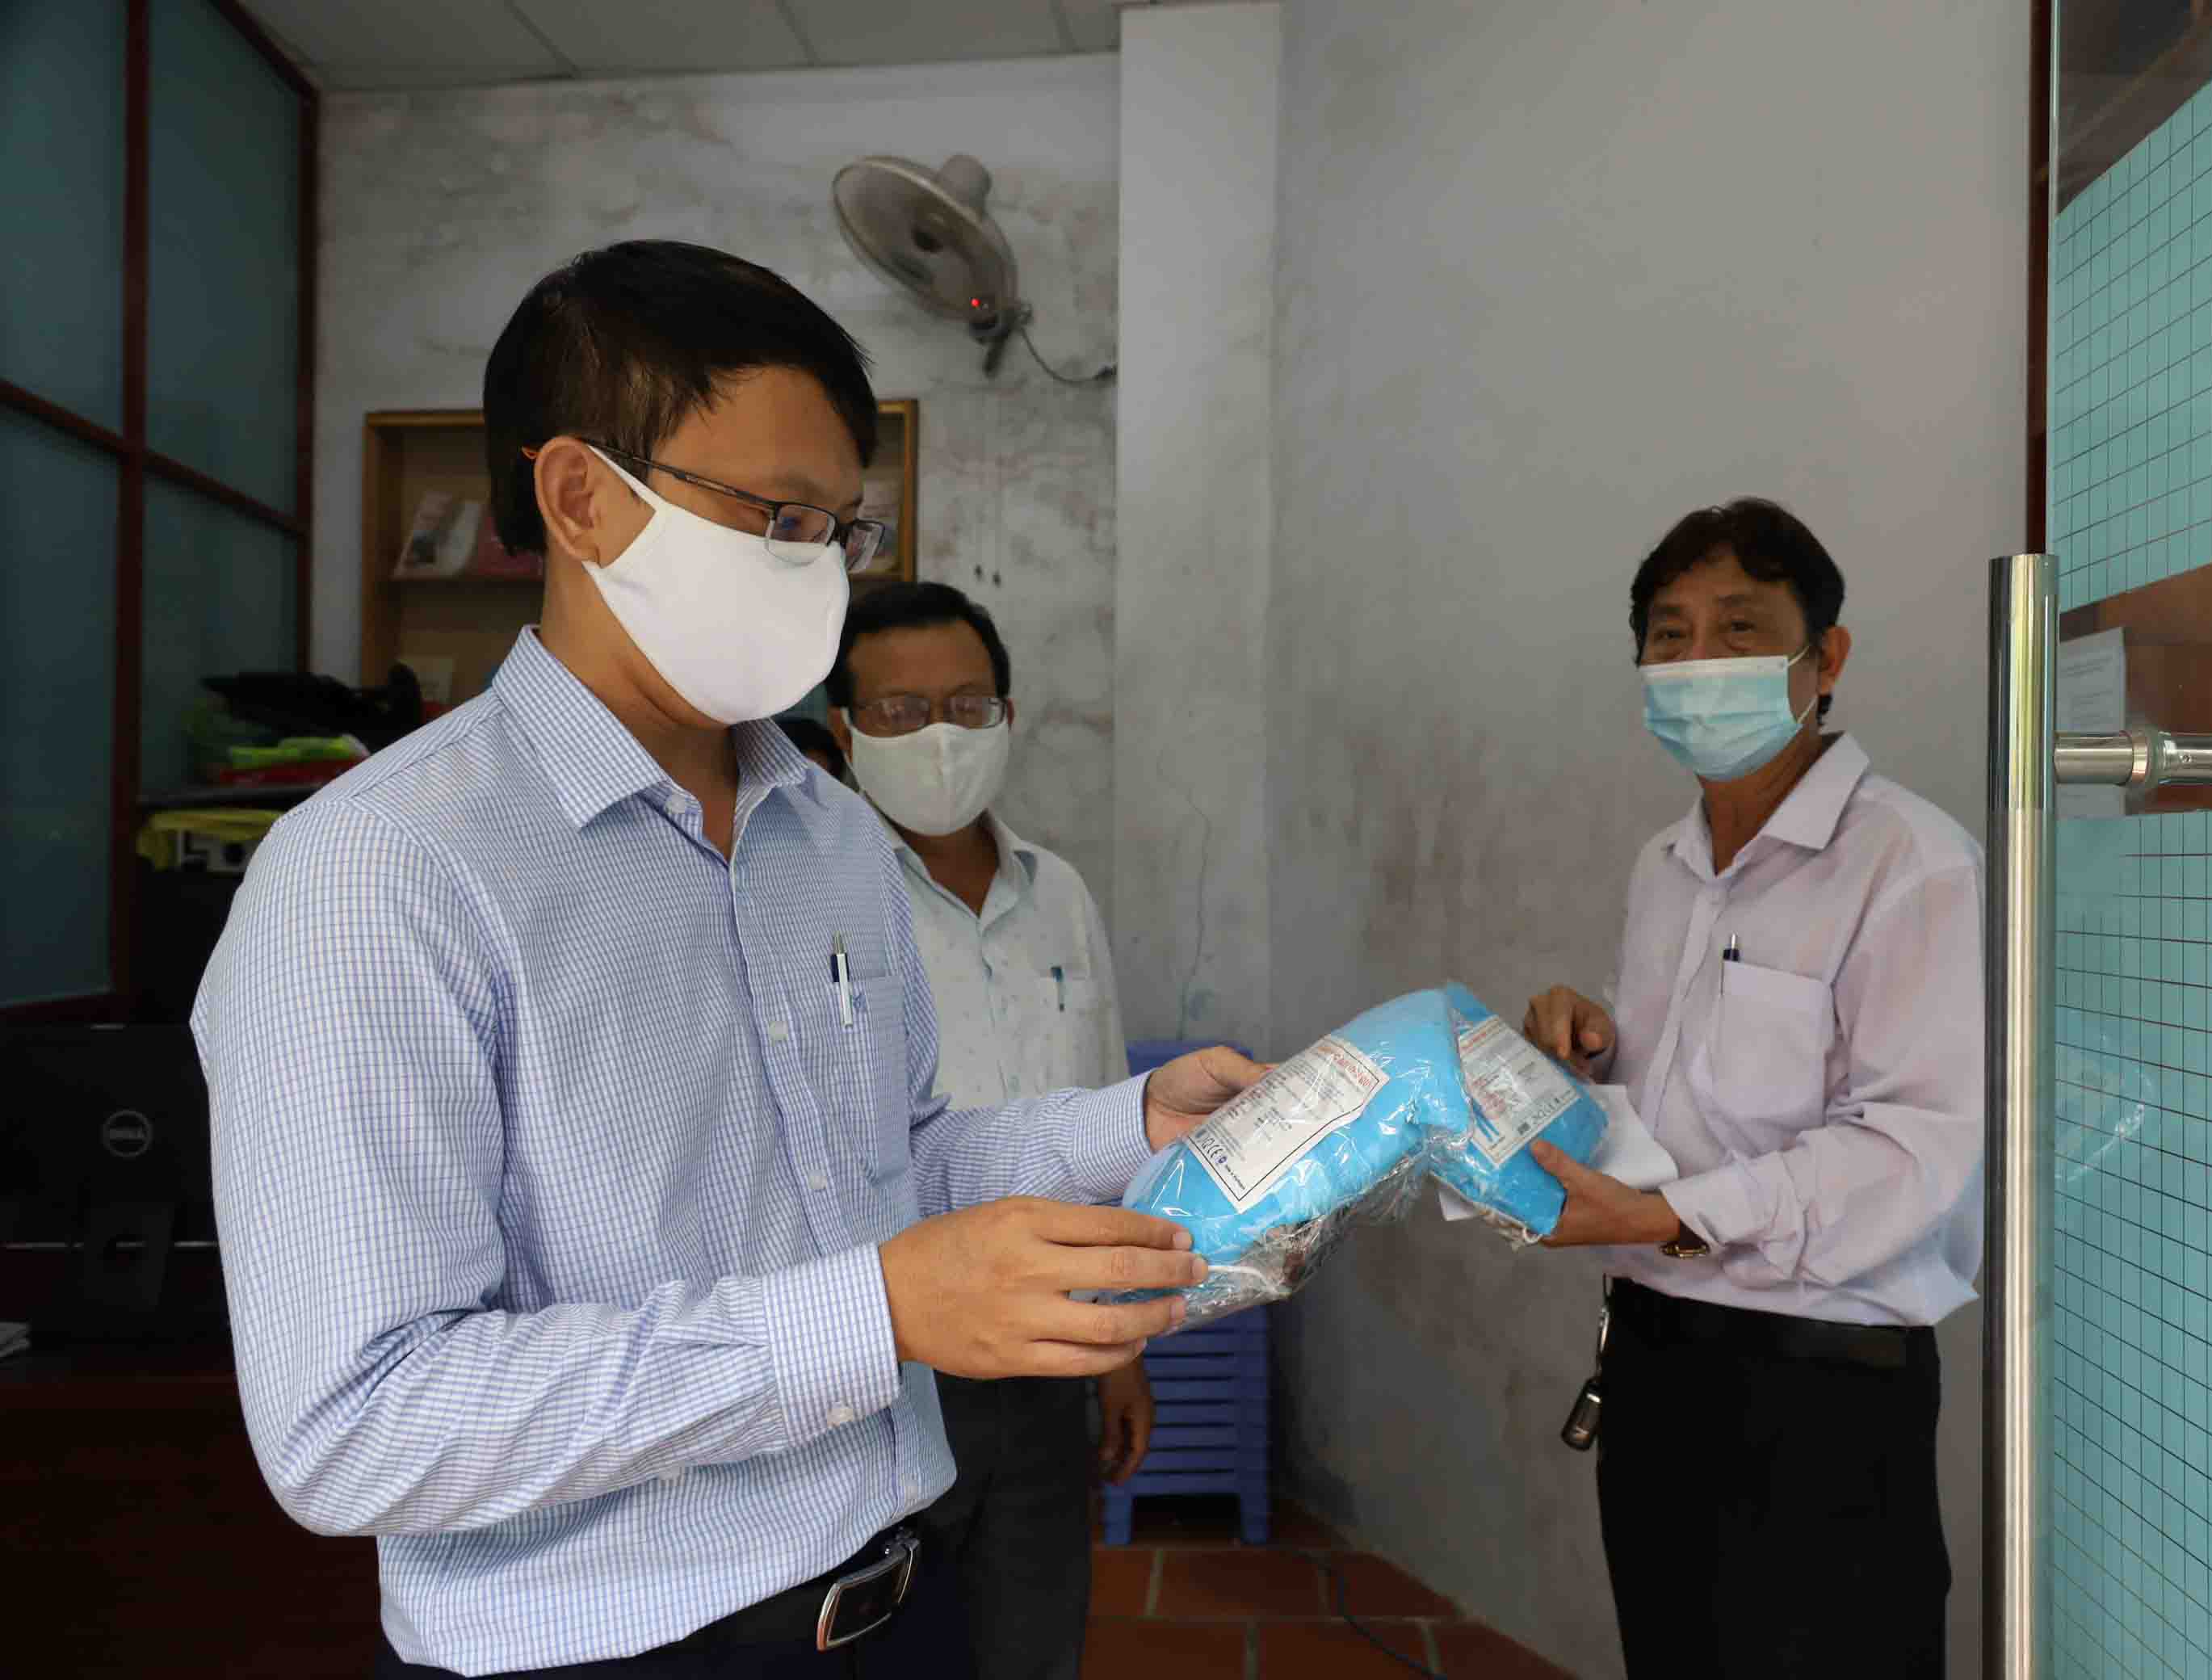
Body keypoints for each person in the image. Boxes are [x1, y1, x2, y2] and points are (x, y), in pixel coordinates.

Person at [192, 240, 1263, 1680]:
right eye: (778, 517)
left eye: (841, 530)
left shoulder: (824, 831)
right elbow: (360, 1425)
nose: (818, 570)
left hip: (904, 1589)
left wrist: (1124, 1129)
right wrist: (877, 1311)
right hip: (610, 1650)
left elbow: (891, 1163)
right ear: (582, 498)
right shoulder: (379, 874)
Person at [1521, 498, 1983, 1680]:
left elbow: (1915, 1151)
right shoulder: (1668, 866)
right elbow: (1697, 1108)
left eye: (1740, 627)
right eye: (1668, 636)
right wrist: (1593, 1057)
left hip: (1822, 1395)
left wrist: (1676, 1217)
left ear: (1823, 659)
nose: (1699, 663)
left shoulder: (1910, 862)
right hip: (1662, 1362)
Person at [827, 582, 1152, 1680]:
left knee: (1034, 1641)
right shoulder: (810, 903)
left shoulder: (1057, 892)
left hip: (1054, 1353)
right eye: (900, 713)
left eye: (967, 706)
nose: (939, 738)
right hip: (880, 1366)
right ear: (843, 732)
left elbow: (1103, 1111)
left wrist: (1122, 1347)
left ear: (1008, 717)